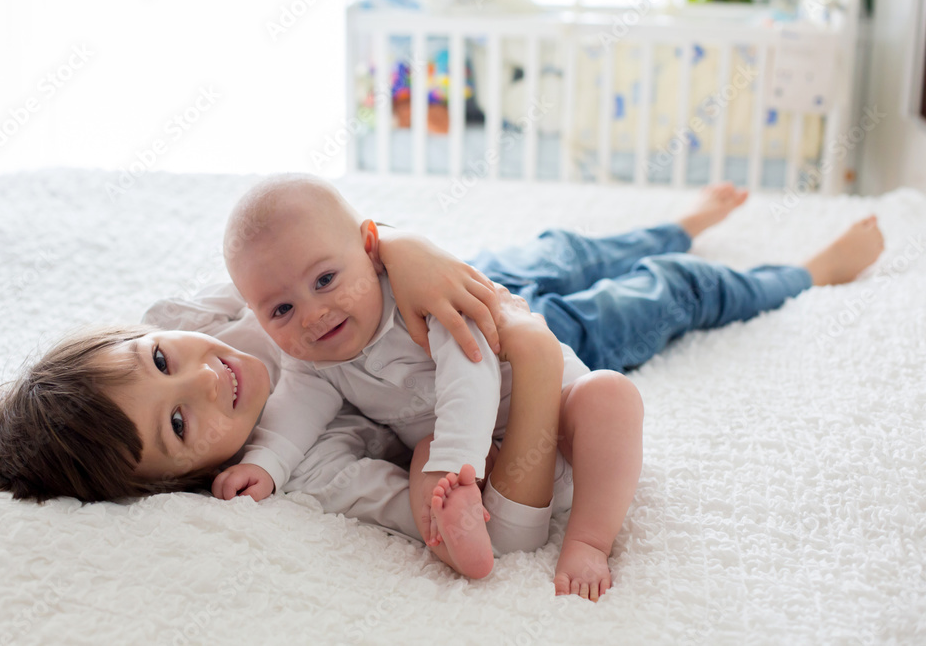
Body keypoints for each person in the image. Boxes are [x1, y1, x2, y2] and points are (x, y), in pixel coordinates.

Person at [0, 179, 885, 602]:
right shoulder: (308, 461)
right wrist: (523, 360)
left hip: (455, 282)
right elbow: (474, 512)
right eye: (181, 422)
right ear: (188, 473)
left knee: (568, 246)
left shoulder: (210, 311)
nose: (202, 373)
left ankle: (672, 221)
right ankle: (802, 274)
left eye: (154, 358)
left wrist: (401, 251)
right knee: (663, 299)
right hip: (522, 351)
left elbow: (314, 243)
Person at [220, 173, 643, 592]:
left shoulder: (416, 298)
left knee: (609, 396)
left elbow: (471, 369)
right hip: (488, 470)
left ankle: (589, 539)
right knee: (426, 471)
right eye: (282, 310)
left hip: (561, 422)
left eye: (325, 280)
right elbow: (294, 407)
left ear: (370, 249)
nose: (313, 315)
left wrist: (455, 456)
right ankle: (458, 538)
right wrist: (266, 463)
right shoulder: (312, 359)